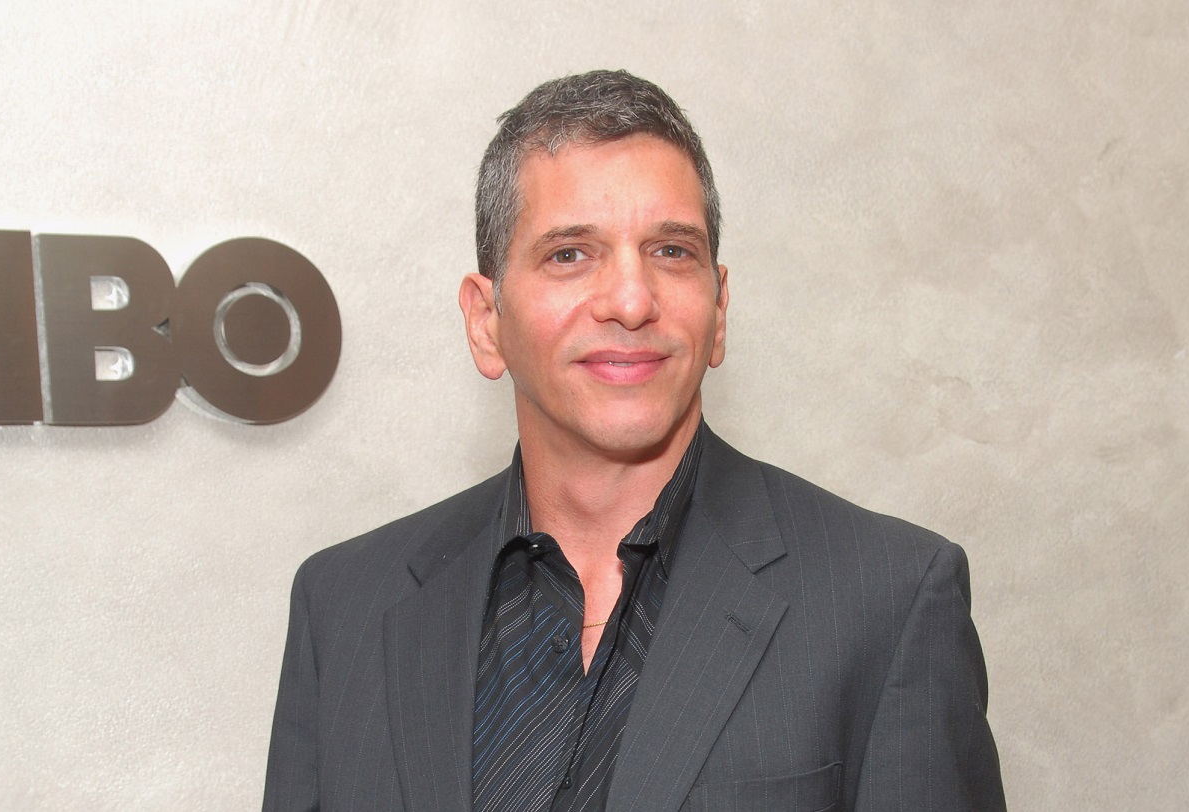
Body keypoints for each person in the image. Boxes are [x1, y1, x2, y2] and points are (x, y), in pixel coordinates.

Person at [262, 70, 1005, 812]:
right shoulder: (344, 608)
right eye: (570, 253)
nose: (630, 300)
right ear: (486, 323)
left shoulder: (888, 600)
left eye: (671, 251)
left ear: (718, 312)